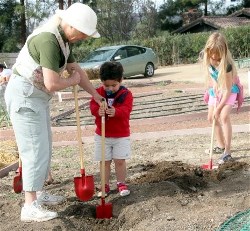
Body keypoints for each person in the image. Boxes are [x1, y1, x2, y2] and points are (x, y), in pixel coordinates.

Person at [4, 3, 103, 222]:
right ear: (71, 25)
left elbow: (77, 71)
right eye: (83, 33)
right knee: (34, 149)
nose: (84, 38)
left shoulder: (65, 40)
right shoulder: (48, 40)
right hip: (25, 97)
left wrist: (94, 94)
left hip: (36, 98)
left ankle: (39, 194)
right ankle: (29, 207)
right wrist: (72, 81)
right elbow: (51, 83)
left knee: (45, 146)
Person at [90, 61, 133, 197]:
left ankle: (121, 182)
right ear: (102, 82)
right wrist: (98, 111)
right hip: (102, 135)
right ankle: (105, 185)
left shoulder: (126, 94)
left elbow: (127, 109)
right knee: (104, 162)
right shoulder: (98, 93)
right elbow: (92, 107)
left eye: (113, 85)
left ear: (121, 80)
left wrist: (117, 112)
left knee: (120, 161)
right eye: (106, 85)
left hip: (121, 135)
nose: (110, 88)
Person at [202, 32, 240, 164]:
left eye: (218, 58)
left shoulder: (227, 65)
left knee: (223, 116)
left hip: (228, 91)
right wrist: (213, 89)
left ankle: (227, 152)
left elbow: (228, 90)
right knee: (211, 118)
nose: (214, 59)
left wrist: (218, 108)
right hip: (216, 90)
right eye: (212, 56)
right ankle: (220, 145)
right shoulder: (209, 59)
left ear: (223, 52)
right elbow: (213, 77)